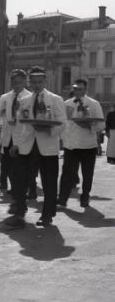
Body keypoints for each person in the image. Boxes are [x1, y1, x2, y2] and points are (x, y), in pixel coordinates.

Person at [4, 66, 67, 228]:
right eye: (34, 82)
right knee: (18, 179)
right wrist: (16, 144)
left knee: (49, 183)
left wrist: (49, 129)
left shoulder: (55, 100)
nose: (37, 85)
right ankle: (19, 213)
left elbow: (62, 123)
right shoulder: (24, 101)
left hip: (47, 147)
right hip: (27, 146)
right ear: (29, 83)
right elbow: (20, 125)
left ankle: (47, 215)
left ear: (45, 82)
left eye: (40, 82)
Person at [58, 80, 105, 208]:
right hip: (71, 145)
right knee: (67, 173)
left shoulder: (94, 104)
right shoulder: (67, 103)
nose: (77, 91)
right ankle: (62, 199)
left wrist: (89, 126)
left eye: (80, 89)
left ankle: (85, 196)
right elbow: (63, 123)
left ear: (85, 90)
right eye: (75, 88)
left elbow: (101, 124)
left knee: (87, 173)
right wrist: (63, 139)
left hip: (87, 145)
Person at [0, 69, 31, 196]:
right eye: (14, 82)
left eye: (20, 82)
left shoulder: (29, 97)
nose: (17, 85)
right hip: (8, 135)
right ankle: (15, 187)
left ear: (24, 82)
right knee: (7, 164)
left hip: (23, 136)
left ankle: (25, 188)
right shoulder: (5, 97)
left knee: (22, 164)